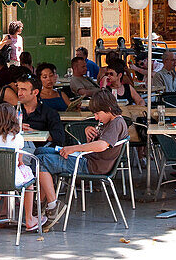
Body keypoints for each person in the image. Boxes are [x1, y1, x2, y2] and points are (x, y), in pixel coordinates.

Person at [36, 90, 129, 228]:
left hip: (91, 165)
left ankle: (51, 205)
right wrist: (88, 133)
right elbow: (98, 142)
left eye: (98, 114)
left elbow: (102, 145)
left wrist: (73, 148)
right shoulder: (110, 121)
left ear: (109, 109)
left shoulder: (116, 123)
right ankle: (41, 205)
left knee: (42, 161)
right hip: (88, 159)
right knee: (40, 151)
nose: (96, 118)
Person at [0, 103, 42, 232]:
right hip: (13, 178)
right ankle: (29, 219)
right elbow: (19, 162)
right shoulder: (17, 138)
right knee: (29, 183)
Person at [15, 74, 67, 146]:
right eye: (18, 89)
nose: (19, 93)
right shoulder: (12, 112)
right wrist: (15, 128)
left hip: (40, 152)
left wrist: (33, 132)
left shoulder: (49, 113)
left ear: (35, 92)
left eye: (23, 90)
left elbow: (59, 138)